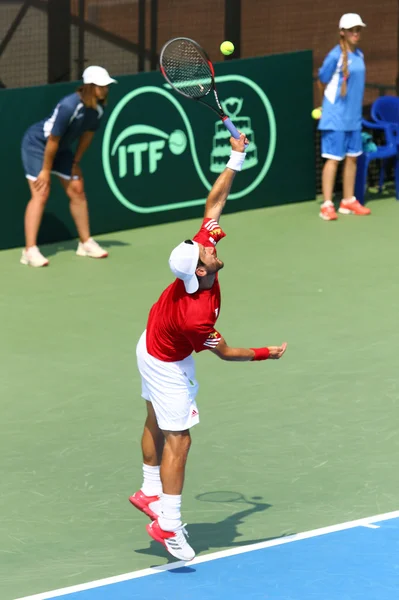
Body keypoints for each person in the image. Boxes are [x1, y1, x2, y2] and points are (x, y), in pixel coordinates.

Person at [129, 133, 287, 562]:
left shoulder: (199, 264)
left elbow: (213, 202)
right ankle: (169, 522)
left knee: (153, 419)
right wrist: (264, 353)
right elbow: (226, 352)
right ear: (201, 268)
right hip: (166, 362)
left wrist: (237, 154)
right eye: (205, 248)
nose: (211, 241)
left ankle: (148, 490)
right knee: (179, 439)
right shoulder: (197, 315)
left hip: (149, 342)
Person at [20, 65, 117, 267]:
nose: (106, 90)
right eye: (102, 86)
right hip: (39, 145)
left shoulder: (98, 108)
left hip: (61, 149)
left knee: (77, 189)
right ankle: (29, 251)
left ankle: (85, 243)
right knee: (41, 193)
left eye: (107, 86)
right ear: (90, 86)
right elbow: (53, 140)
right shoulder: (69, 106)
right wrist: (45, 171)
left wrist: (75, 162)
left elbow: (87, 136)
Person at [317, 13, 371, 221]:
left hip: (353, 118)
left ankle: (348, 201)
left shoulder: (360, 55)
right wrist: (329, 105)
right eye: (352, 30)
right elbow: (322, 79)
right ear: (342, 32)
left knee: (352, 158)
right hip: (335, 117)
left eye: (358, 30)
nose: (356, 33)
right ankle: (327, 204)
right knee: (332, 160)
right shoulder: (334, 56)